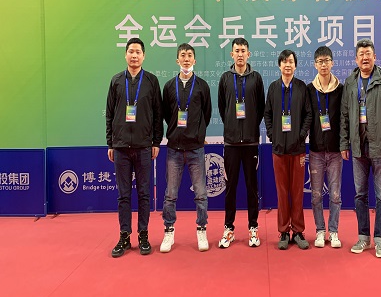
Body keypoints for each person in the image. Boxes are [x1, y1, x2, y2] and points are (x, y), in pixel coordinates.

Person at [340, 38, 381, 258]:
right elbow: (344, 116)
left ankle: (380, 240)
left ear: (374, 57)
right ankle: (363, 237)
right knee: (360, 195)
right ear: (356, 59)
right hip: (358, 147)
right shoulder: (350, 82)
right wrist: (344, 143)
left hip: (380, 146)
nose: (365, 58)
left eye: (368, 54)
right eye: (361, 54)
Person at [106, 37, 163, 258]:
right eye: (131, 51)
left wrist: (156, 141)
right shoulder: (116, 81)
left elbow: (158, 115)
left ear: (144, 56)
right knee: (123, 195)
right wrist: (111, 143)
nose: (134, 55)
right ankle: (124, 235)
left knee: (144, 193)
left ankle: (143, 234)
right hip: (120, 147)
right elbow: (110, 114)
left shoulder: (151, 81)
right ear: (125, 54)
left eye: (138, 52)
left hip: (143, 147)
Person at [159, 43, 212, 253]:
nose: (186, 59)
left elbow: (206, 114)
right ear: (177, 60)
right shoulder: (169, 87)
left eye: (190, 55)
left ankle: (201, 229)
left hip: (195, 148)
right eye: (183, 55)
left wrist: (197, 134)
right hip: (174, 148)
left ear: (195, 60)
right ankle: (168, 231)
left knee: (200, 193)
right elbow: (165, 114)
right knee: (170, 194)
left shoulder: (202, 86)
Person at [217, 38, 265, 248]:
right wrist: (232, 126)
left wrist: (251, 127)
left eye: (243, 50)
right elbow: (222, 107)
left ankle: (253, 227)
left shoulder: (256, 78)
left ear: (248, 54)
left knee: (252, 187)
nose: (239, 54)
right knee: (230, 188)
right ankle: (229, 229)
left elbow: (261, 107)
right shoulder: (225, 78)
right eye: (236, 50)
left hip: (251, 143)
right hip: (231, 144)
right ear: (231, 54)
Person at [264, 49, 312, 250]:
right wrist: (272, 135)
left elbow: (308, 115)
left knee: (297, 192)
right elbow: (267, 114)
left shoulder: (301, 87)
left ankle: (298, 231)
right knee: (282, 192)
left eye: (291, 61)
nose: (287, 65)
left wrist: (300, 136)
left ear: (295, 65)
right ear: (279, 65)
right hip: (278, 149)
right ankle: (284, 231)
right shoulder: (273, 88)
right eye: (284, 61)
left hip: (297, 149)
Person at [307, 46, 344, 249]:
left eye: (327, 60)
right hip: (316, 151)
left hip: (336, 151)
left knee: (336, 195)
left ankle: (334, 231)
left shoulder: (341, 89)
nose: (323, 65)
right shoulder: (309, 90)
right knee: (316, 195)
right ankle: (320, 230)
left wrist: (345, 144)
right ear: (315, 64)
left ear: (332, 63)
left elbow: (345, 119)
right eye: (320, 61)